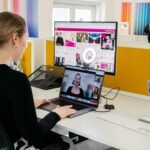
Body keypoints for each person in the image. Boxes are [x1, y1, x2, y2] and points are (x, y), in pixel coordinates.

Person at [0, 12, 76, 149]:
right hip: (15, 144)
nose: (26, 45)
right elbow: (34, 135)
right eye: (27, 39)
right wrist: (56, 114)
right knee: (63, 143)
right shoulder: (16, 81)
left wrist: (25, 106)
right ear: (15, 39)